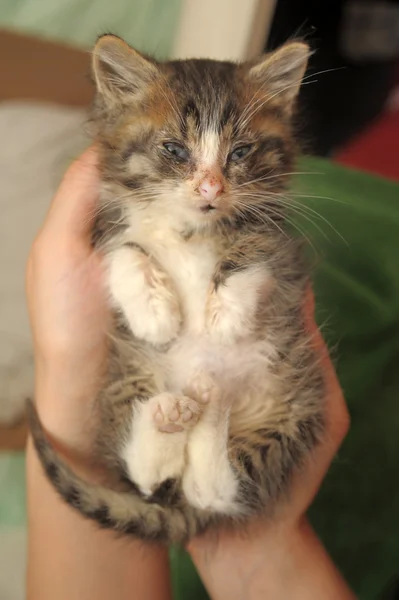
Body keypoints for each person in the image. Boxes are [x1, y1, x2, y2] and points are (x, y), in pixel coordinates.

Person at [26, 147, 355, 599]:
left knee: (274, 426)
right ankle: (169, 466)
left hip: (245, 389)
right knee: (149, 409)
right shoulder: (131, 217)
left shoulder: (245, 216)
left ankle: (183, 469)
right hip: (188, 375)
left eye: (239, 153)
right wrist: (66, 363)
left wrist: (63, 371)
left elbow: (263, 257)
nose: (211, 182)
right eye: (177, 151)